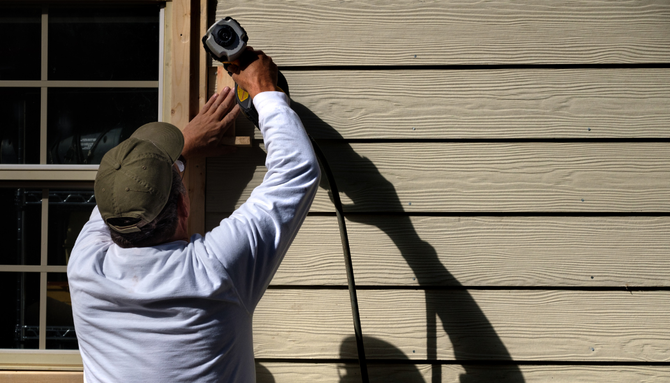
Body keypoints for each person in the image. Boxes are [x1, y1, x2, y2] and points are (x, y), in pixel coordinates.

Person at [67, 49, 321, 382]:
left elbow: (122, 195)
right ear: (184, 207)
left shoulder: (84, 265)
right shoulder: (215, 270)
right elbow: (296, 171)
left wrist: (183, 146)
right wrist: (264, 90)